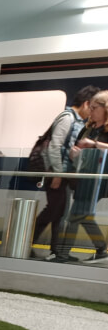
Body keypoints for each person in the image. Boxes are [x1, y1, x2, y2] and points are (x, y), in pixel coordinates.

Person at [33, 85, 99, 262]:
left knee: (58, 212)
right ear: (86, 103)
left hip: (63, 174)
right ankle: (34, 243)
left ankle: (58, 250)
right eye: (92, 107)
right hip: (57, 173)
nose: (92, 112)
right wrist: (58, 174)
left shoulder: (77, 121)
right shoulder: (67, 118)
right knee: (54, 211)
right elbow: (55, 146)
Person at [55, 90, 108, 263]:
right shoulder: (87, 129)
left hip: (99, 179)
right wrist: (74, 153)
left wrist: (93, 144)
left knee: (76, 214)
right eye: (90, 107)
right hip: (83, 176)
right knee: (82, 214)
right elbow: (77, 151)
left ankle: (62, 254)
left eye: (94, 108)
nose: (90, 111)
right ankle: (101, 249)